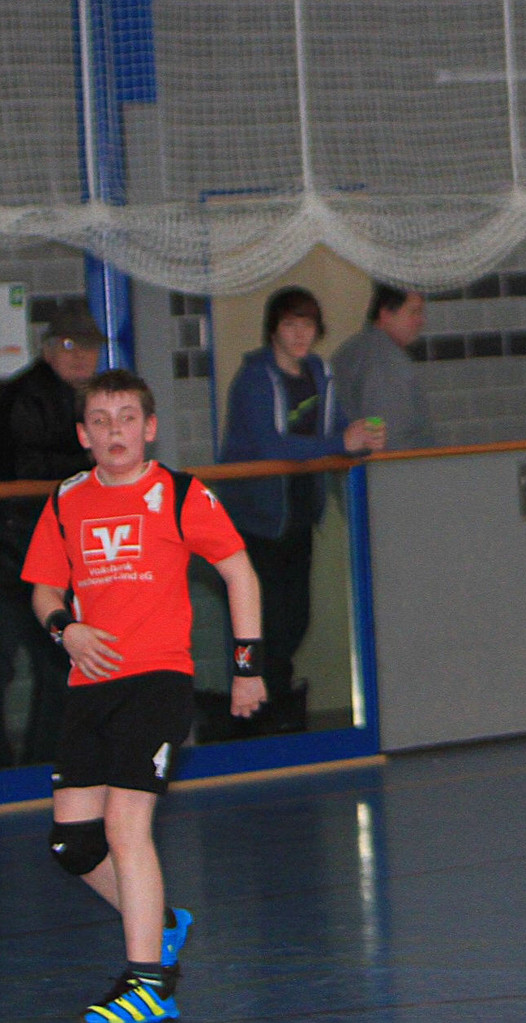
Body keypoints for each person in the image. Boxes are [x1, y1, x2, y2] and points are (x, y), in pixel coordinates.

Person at [21, 368, 267, 1023]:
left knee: (125, 827)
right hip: (90, 685)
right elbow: (43, 589)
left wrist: (247, 665)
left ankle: (148, 985)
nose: (115, 431)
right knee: (73, 845)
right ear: (83, 434)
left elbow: (239, 571)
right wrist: (65, 628)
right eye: (100, 421)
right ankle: (158, 923)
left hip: (157, 681)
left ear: (149, 428)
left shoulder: (181, 494)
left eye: (127, 418)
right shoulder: (67, 499)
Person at [220, 285, 385, 734]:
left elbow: (335, 431)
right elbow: (271, 446)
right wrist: (339, 442)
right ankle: (258, 716)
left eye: (307, 325)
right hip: (256, 520)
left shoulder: (319, 373)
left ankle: (275, 705)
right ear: (273, 330)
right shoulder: (255, 379)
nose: (299, 334)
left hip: (298, 515)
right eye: (290, 324)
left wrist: (360, 441)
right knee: (264, 621)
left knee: (295, 618)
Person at [0, 300, 102, 765]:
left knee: (58, 663)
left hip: (43, 552)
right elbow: (28, 471)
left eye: (89, 346)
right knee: (46, 661)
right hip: (16, 553)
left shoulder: (87, 398)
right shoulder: (26, 398)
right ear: (47, 349)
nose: (80, 356)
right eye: (68, 345)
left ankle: (39, 764)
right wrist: (89, 464)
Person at [331, 282, 435, 450]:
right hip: (396, 464)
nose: (421, 320)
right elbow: (389, 440)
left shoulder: (358, 347)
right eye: (414, 312)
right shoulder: (384, 363)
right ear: (386, 314)